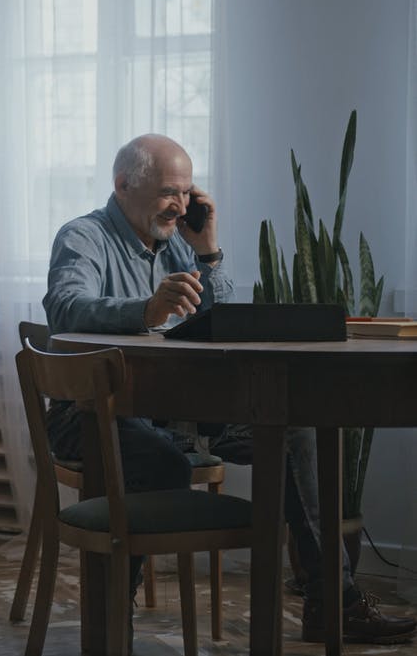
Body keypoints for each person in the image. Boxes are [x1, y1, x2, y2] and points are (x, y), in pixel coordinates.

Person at [43, 133, 416, 650]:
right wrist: (145, 310)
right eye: (168, 192)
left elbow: (218, 323)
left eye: (186, 192)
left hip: (171, 408)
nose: (180, 205)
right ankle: (111, 616)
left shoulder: (178, 243)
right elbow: (65, 307)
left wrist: (208, 252)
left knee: (293, 427)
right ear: (123, 184)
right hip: (89, 412)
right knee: (161, 462)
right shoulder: (83, 236)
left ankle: (333, 604)